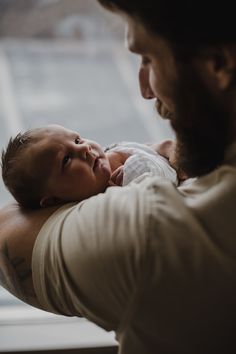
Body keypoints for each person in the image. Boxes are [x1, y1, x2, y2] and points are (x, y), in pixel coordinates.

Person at [1, 1, 236, 353]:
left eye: (149, 60)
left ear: (218, 63)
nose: (145, 89)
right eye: (67, 158)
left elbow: (6, 231)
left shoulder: (154, 235)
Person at [1, 124, 178, 208]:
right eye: (66, 160)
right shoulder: (102, 208)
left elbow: (154, 148)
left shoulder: (113, 150)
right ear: (54, 200)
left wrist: (164, 147)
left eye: (77, 139)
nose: (84, 148)